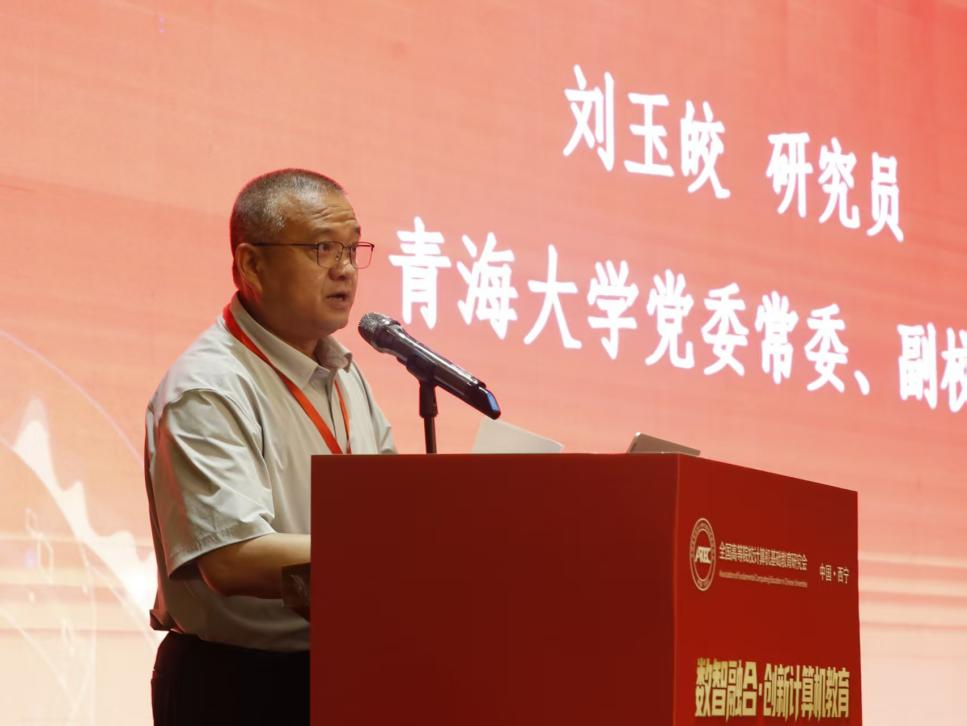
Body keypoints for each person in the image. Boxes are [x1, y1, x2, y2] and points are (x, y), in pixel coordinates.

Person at [144, 169, 395, 725]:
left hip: (338, 668)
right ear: (252, 264)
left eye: (352, 249)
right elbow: (231, 560)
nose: (344, 268)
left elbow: (387, 505)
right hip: (238, 684)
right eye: (322, 248)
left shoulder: (344, 373)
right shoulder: (209, 386)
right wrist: (385, 553)